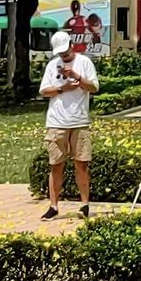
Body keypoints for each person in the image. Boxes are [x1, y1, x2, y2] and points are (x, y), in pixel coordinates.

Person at [38, 29, 99, 220]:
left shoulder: (84, 62)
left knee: (81, 164)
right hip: (57, 122)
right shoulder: (52, 65)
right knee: (56, 164)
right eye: (60, 53)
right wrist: (62, 88)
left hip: (79, 121)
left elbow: (94, 88)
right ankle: (54, 206)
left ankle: (84, 205)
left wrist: (77, 77)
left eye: (65, 52)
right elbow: (44, 91)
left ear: (72, 45)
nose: (63, 56)